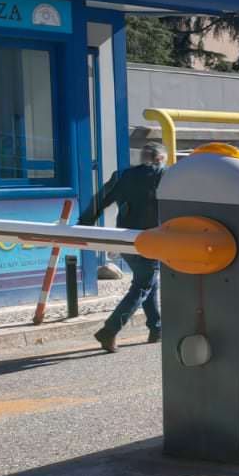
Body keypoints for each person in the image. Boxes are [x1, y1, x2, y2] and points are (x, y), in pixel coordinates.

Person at [79, 142, 165, 353]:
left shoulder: (123, 175)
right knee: (143, 285)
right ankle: (109, 330)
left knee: (148, 282)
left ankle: (157, 328)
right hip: (152, 240)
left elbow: (100, 200)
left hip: (125, 240)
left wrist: (83, 224)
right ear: (160, 158)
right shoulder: (167, 177)